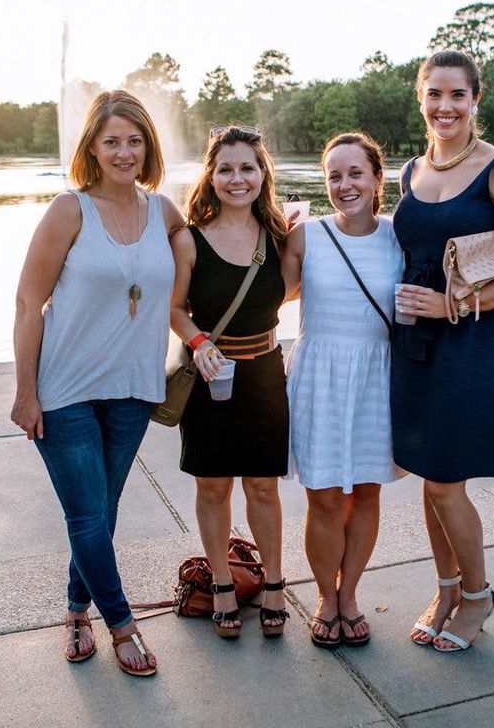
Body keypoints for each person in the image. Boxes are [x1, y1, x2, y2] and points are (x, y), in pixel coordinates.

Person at [11, 90, 184, 676]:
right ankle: (122, 626)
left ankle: (75, 608)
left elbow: (200, 249)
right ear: (92, 146)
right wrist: (25, 392)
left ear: (148, 147)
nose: (124, 151)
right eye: (111, 140)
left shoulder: (163, 211)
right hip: (65, 391)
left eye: (135, 140)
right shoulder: (69, 210)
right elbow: (29, 302)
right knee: (86, 515)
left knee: (101, 510)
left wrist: (272, 227)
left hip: (135, 388)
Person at [392, 51, 494, 653]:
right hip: (414, 347)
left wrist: (451, 307)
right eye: (434, 94)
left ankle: (477, 596)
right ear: (421, 99)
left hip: (471, 343)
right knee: (429, 476)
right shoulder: (410, 173)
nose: (445, 106)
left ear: (476, 100)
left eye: (457, 95)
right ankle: (447, 588)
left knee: (445, 483)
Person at [281, 132, 405, 648]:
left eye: (356, 173)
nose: (345, 184)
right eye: (335, 176)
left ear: (378, 179)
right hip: (320, 375)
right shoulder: (306, 235)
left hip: (378, 374)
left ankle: (349, 594)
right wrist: (271, 238)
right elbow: (274, 297)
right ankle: (325, 599)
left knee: (367, 492)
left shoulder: (400, 236)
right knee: (327, 496)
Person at [169, 126, 290, 639]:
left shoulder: (282, 239)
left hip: (264, 376)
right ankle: (221, 582)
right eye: (225, 169)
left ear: (263, 174)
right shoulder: (189, 240)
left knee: (263, 486)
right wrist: (199, 342)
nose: (236, 179)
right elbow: (174, 309)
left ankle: (275, 583)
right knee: (214, 486)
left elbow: (294, 293)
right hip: (210, 378)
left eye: (247, 168)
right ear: (210, 176)